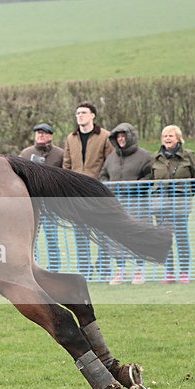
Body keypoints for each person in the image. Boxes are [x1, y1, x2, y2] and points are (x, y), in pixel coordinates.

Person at [62, 101, 114, 280]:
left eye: (83, 112)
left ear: (93, 115)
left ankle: (104, 268)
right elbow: (66, 165)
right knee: (80, 235)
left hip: (97, 193)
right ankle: (85, 270)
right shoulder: (71, 138)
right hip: (76, 195)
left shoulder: (105, 136)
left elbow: (110, 164)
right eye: (77, 113)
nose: (80, 116)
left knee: (103, 233)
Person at [99, 123, 153, 285]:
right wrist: (107, 186)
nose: (121, 139)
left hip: (138, 204)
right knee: (116, 238)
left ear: (130, 136)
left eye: (124, 136)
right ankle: (120, 270)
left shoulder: (144, 156)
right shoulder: (111, 158)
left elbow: (150, 177)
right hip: (116, 205)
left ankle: (139, 270)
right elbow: (103, 175)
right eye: (118, 137)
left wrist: (134, 186)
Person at [151, 125, 195, 284]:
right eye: (165, 136)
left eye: (171, 136)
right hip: (160, 206)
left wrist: (185, 195)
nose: (167, 138)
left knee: (181, 238)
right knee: (164, 239)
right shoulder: (155, 158)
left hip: (180, 205)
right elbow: (150, 181)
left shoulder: (189, 156)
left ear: (178, 138)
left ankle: (184, 273)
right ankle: (169, 273)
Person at [20, 123, 63, 272]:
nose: (40, 135)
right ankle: (32, 267)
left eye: (44, 133)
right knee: (31, 239)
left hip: (51, 203)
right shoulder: (25, 153)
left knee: (52, 237)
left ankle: (55, 268)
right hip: (31, 204)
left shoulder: (59, 154)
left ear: (50, 136)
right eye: (38, 133)